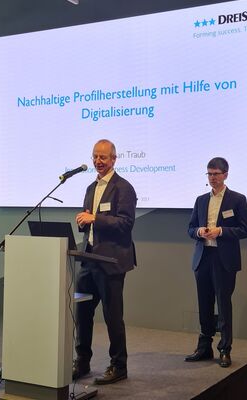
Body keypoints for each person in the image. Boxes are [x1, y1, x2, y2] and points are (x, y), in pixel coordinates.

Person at [73, 139, 137, 385]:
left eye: (103, 157)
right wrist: (83, 221)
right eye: (95, 157)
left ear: (113, 159)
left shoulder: (124, 188)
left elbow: (126, 224)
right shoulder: (91, 187)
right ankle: (82, 361)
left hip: (111, 262)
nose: (98, 161)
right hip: (88, 261)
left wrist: (95, 219)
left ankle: (119, 365)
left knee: (112, 316)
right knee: (82, 313)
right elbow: (89, 222)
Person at [185, 157, 247, 368]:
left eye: (216, 174)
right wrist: (199, 232)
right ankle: (204, 347)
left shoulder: (237, 199)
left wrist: (220, 231)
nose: (212, 178)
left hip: (224, 260)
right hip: (203, 257)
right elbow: (190, 228)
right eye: (209, 174)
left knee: (223, 304)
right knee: (204, 304)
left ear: (225, 175)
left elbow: (244, 230)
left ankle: (224, 349)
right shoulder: (200, 200)